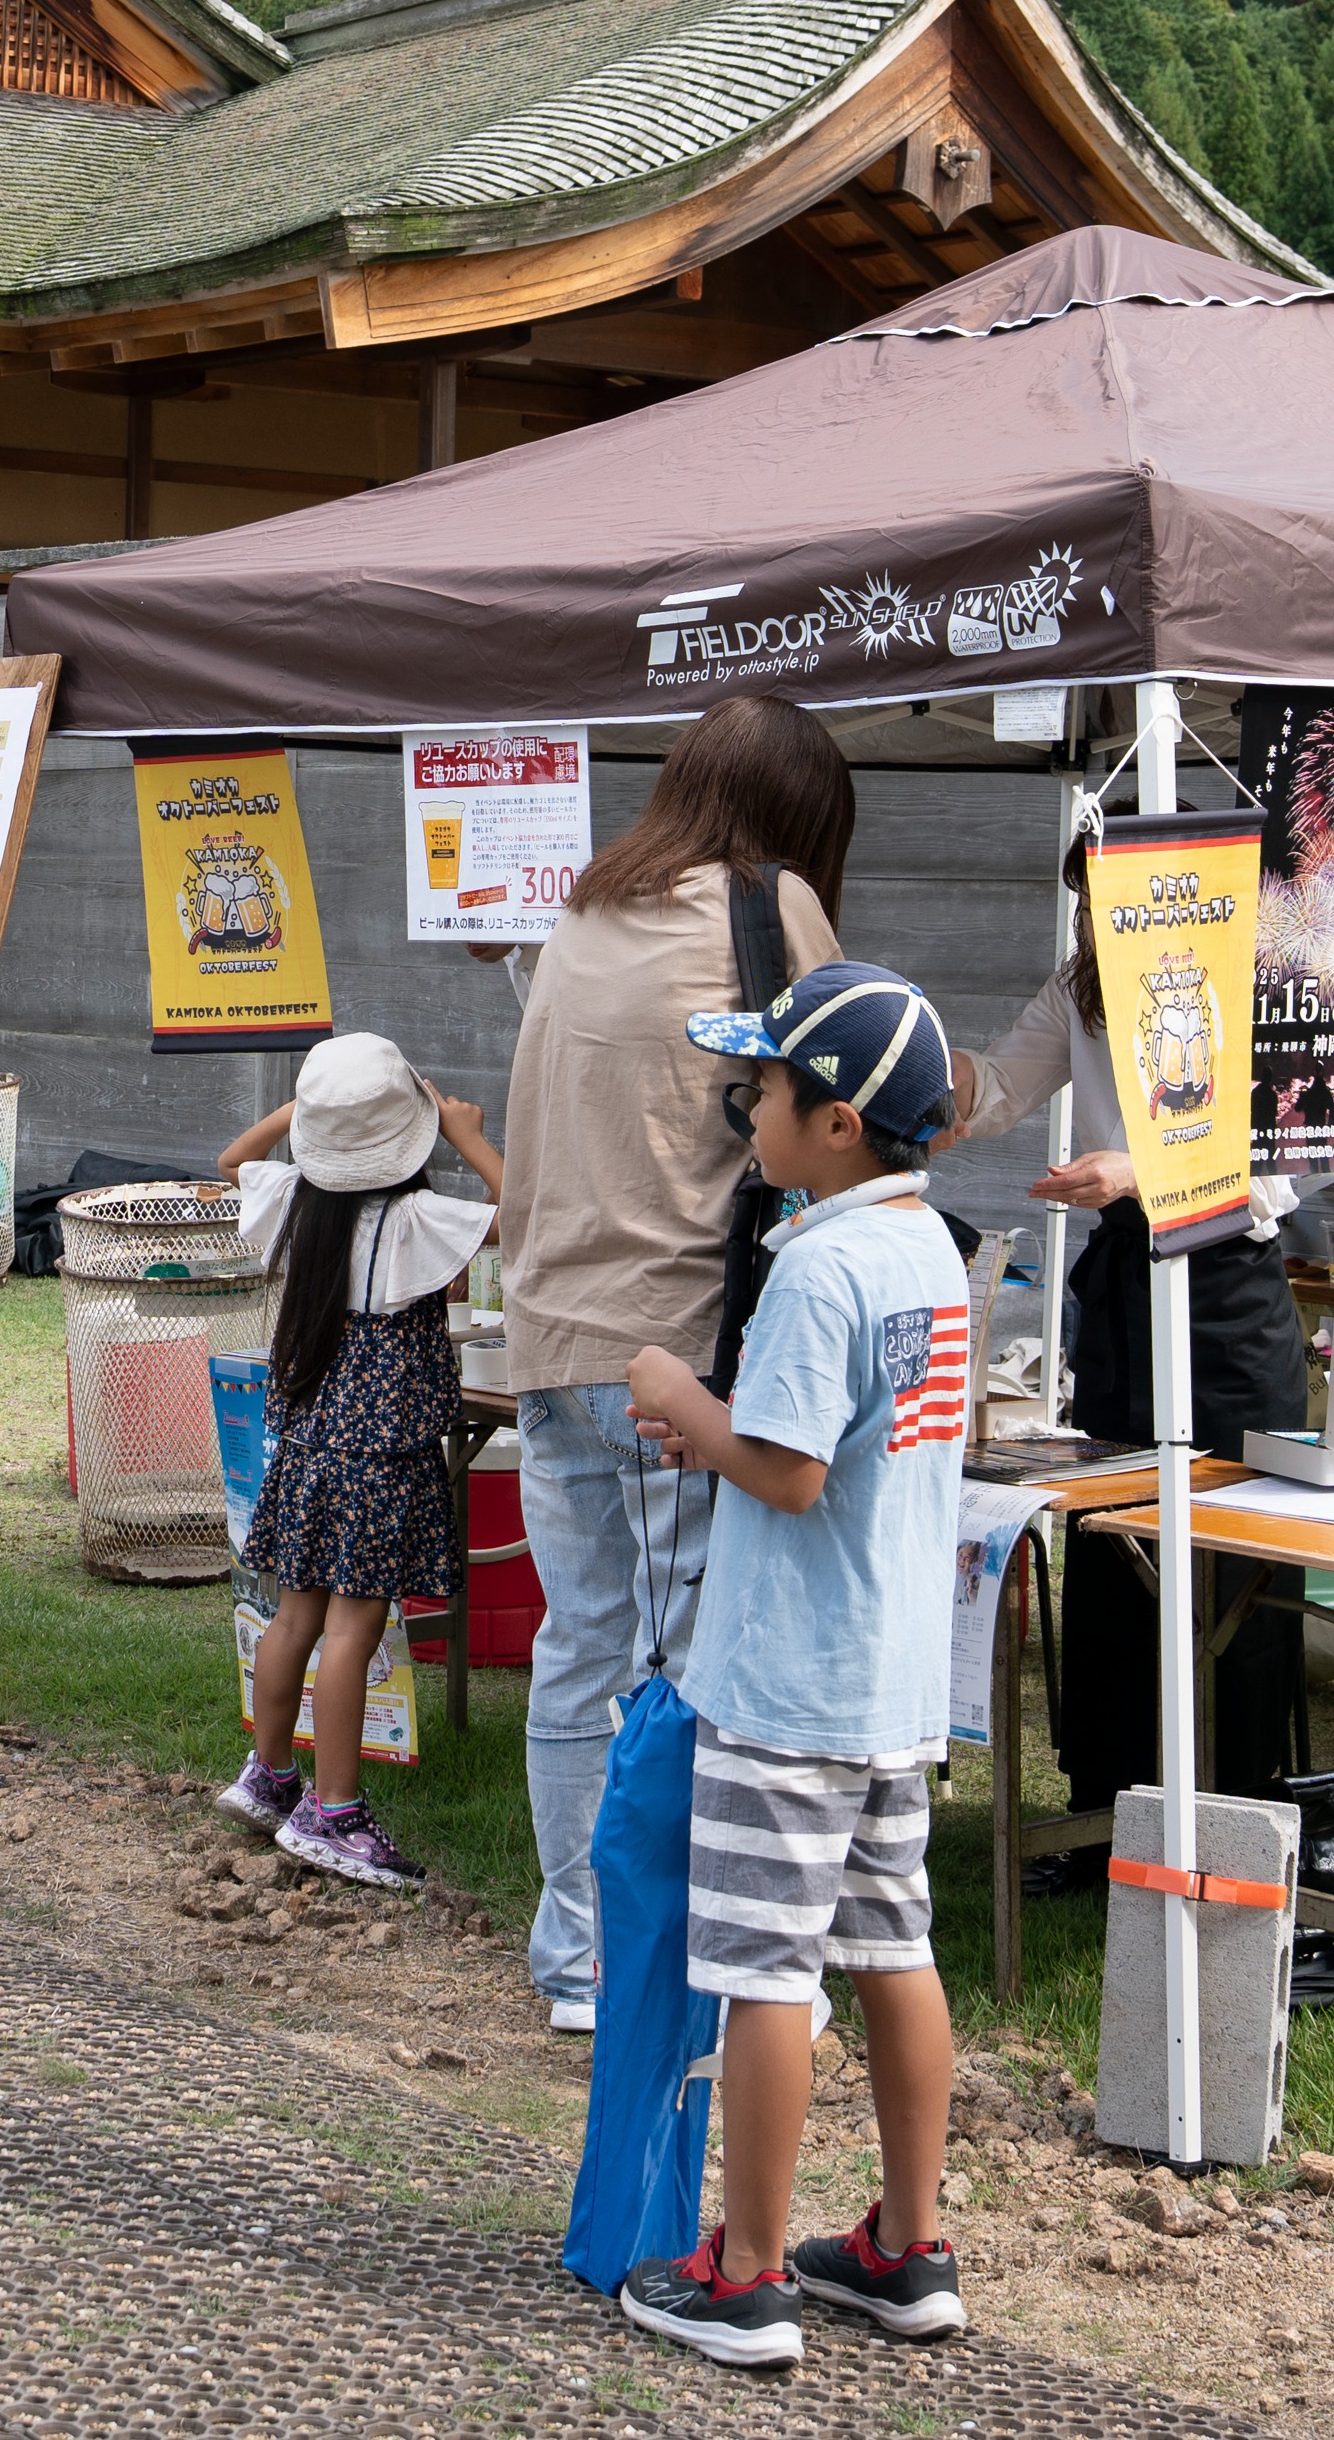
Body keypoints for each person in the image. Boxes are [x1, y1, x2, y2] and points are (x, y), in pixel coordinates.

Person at [612, 961, 978, 2371]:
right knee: (893, 1948)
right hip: (890, 1682)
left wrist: (676, 1396)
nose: (746, 1109)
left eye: (760, 1088)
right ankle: (906, 2248)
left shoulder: (819, 1264)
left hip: (785, 1690)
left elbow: (786, 1471)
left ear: (835, 1124)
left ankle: (747, 2272)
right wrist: (720, 1426)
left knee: (765, 1970)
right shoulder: (924, 1248)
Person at [482, 693, 854, 2032]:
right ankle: (687, 1969)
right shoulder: (771, 908)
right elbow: (852, 1094)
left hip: (547, 1337)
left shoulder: (583, 913)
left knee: (581, 1653)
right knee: (699, 1665)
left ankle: (583, 1962)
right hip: (678, 1354)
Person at [950, 828, 1311, 1889]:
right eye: (1082, 902)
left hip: (1227, 1297)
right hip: (1123, 1293)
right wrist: (912, 1060)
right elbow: (992, 1089)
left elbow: (1280, 1164)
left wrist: (1140, 1170)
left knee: (1234, 1558)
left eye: (1105, 901)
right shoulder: (1080, 989)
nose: (1090, 922)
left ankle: (1240, 1825)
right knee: (1109, 1546)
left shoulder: (1257, 986)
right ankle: (1101, 1816)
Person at [211, 1033, 506, 1889]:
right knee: (351, 1630)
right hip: (377, 1464)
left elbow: (232, 1160)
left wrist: (305, 1114)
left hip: (307, 1452)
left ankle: (269, 1775)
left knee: (293, 1619)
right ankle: (334, 1812)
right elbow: (526, 1216)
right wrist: (469, 1136)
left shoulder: (294, 1204)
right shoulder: (414, 1222)